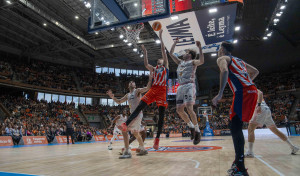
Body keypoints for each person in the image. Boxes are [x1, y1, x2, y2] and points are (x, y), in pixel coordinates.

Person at [212, 41, 259, 176]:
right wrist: (247, 82)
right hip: (250, 90)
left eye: (219, 48)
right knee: (236, 125)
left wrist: (220, 93)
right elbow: (255, 71)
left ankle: (240, 168)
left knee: (235, 127)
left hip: (243, 92)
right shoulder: (239, 60)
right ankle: (239, 163)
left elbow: (225, 71)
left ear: (222, 49)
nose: (218, 51)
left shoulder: (222, 58)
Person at [118, 29, 169, 150]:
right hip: (154, 89)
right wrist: (145, 52)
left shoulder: (166, 66)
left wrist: (161, 37)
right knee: (140, 106)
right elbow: (146, 64)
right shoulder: (154, 68)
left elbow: (163, 51)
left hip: (162, 90)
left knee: (161, 116)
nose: (160, 60)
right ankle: (126, 124)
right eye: (159, 60)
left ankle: (157, 140)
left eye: (161, 60)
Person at [107, 73, 152, 158]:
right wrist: (112, 97)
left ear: (135, 85)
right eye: (130, 82)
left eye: (133, 82)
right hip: (133, 115)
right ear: (128, 86)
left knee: (124, 129)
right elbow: (119, 101)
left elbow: (147, 88)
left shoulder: (137, 91)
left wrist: (150, 79)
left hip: (137, 114)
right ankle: (143, 149)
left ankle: (127, 151)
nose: (131, 82)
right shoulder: (127, 95)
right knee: (135, 133)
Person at [169, 38, 204, 145]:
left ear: (190, 55)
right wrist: (175, 43)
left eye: (187, 53)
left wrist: (200, 48)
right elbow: (170, 53)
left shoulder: (193, 62)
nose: (184, 54)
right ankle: (191, 127)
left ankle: (198, 131)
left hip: (189, 85)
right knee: (179, 110)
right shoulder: (180, 62)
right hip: (180, 87)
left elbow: (202, 61)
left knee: (189, 108)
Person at [245, 89, 299, 157]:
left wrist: (258, 105)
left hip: (261, 108)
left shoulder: (250, 87)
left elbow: (261, 93)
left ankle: (250, 152)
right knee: (275, 130)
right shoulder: (249, 90)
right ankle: (293, 147)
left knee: (250, 128)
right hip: (266, 109)